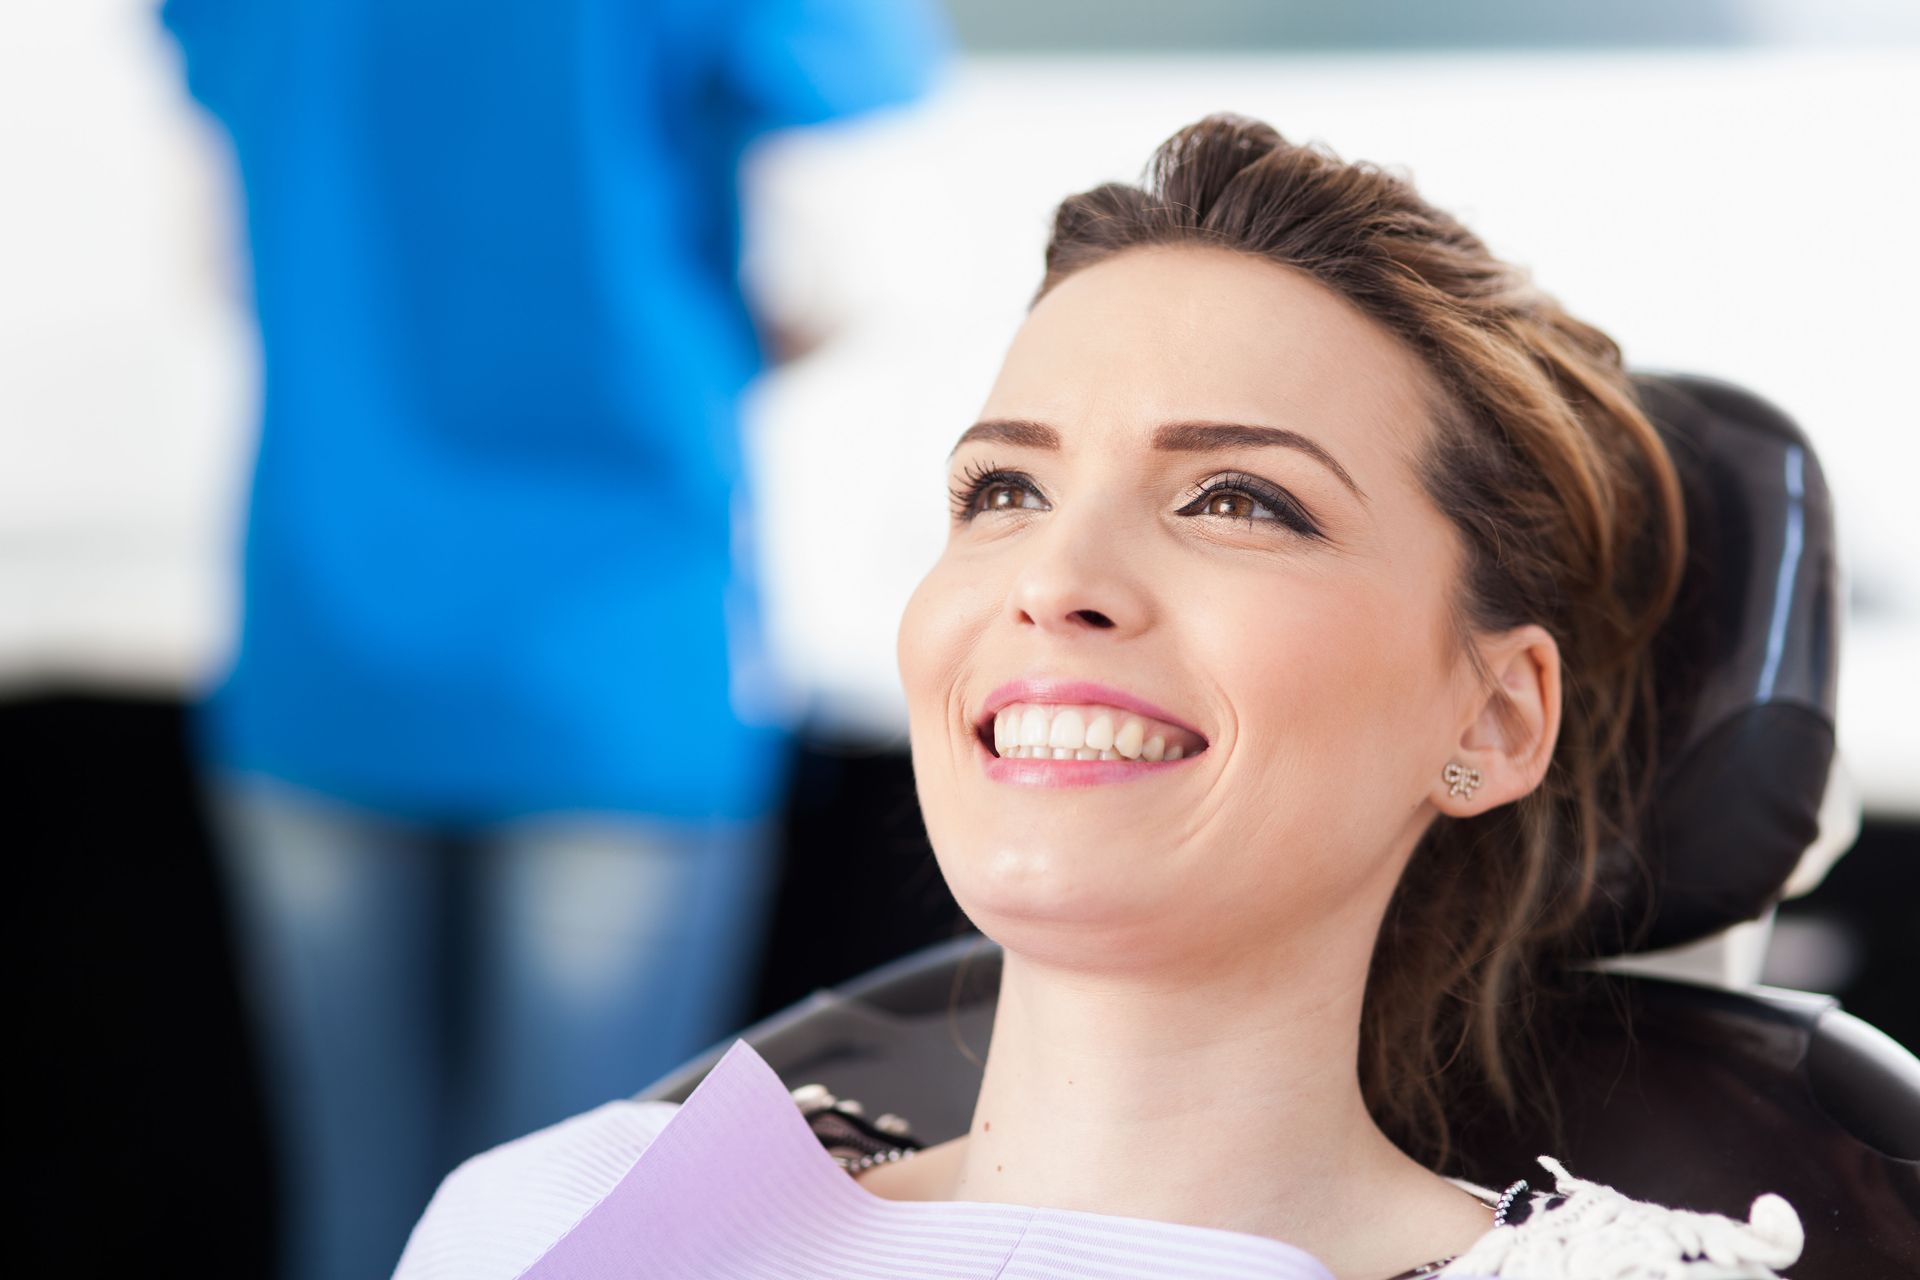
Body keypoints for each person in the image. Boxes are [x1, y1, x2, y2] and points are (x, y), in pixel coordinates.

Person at [391, 116, 1805, 1280]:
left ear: (1493, 719)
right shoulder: (540, 1218)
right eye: (1003, 490)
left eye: (1238, 499)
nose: (1056, 576)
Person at [159, 3, 945, 1279]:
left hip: (327, 633)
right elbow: (833, 280)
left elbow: (220, 263)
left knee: (365, 1217)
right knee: (589, 1238)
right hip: (619, 659)